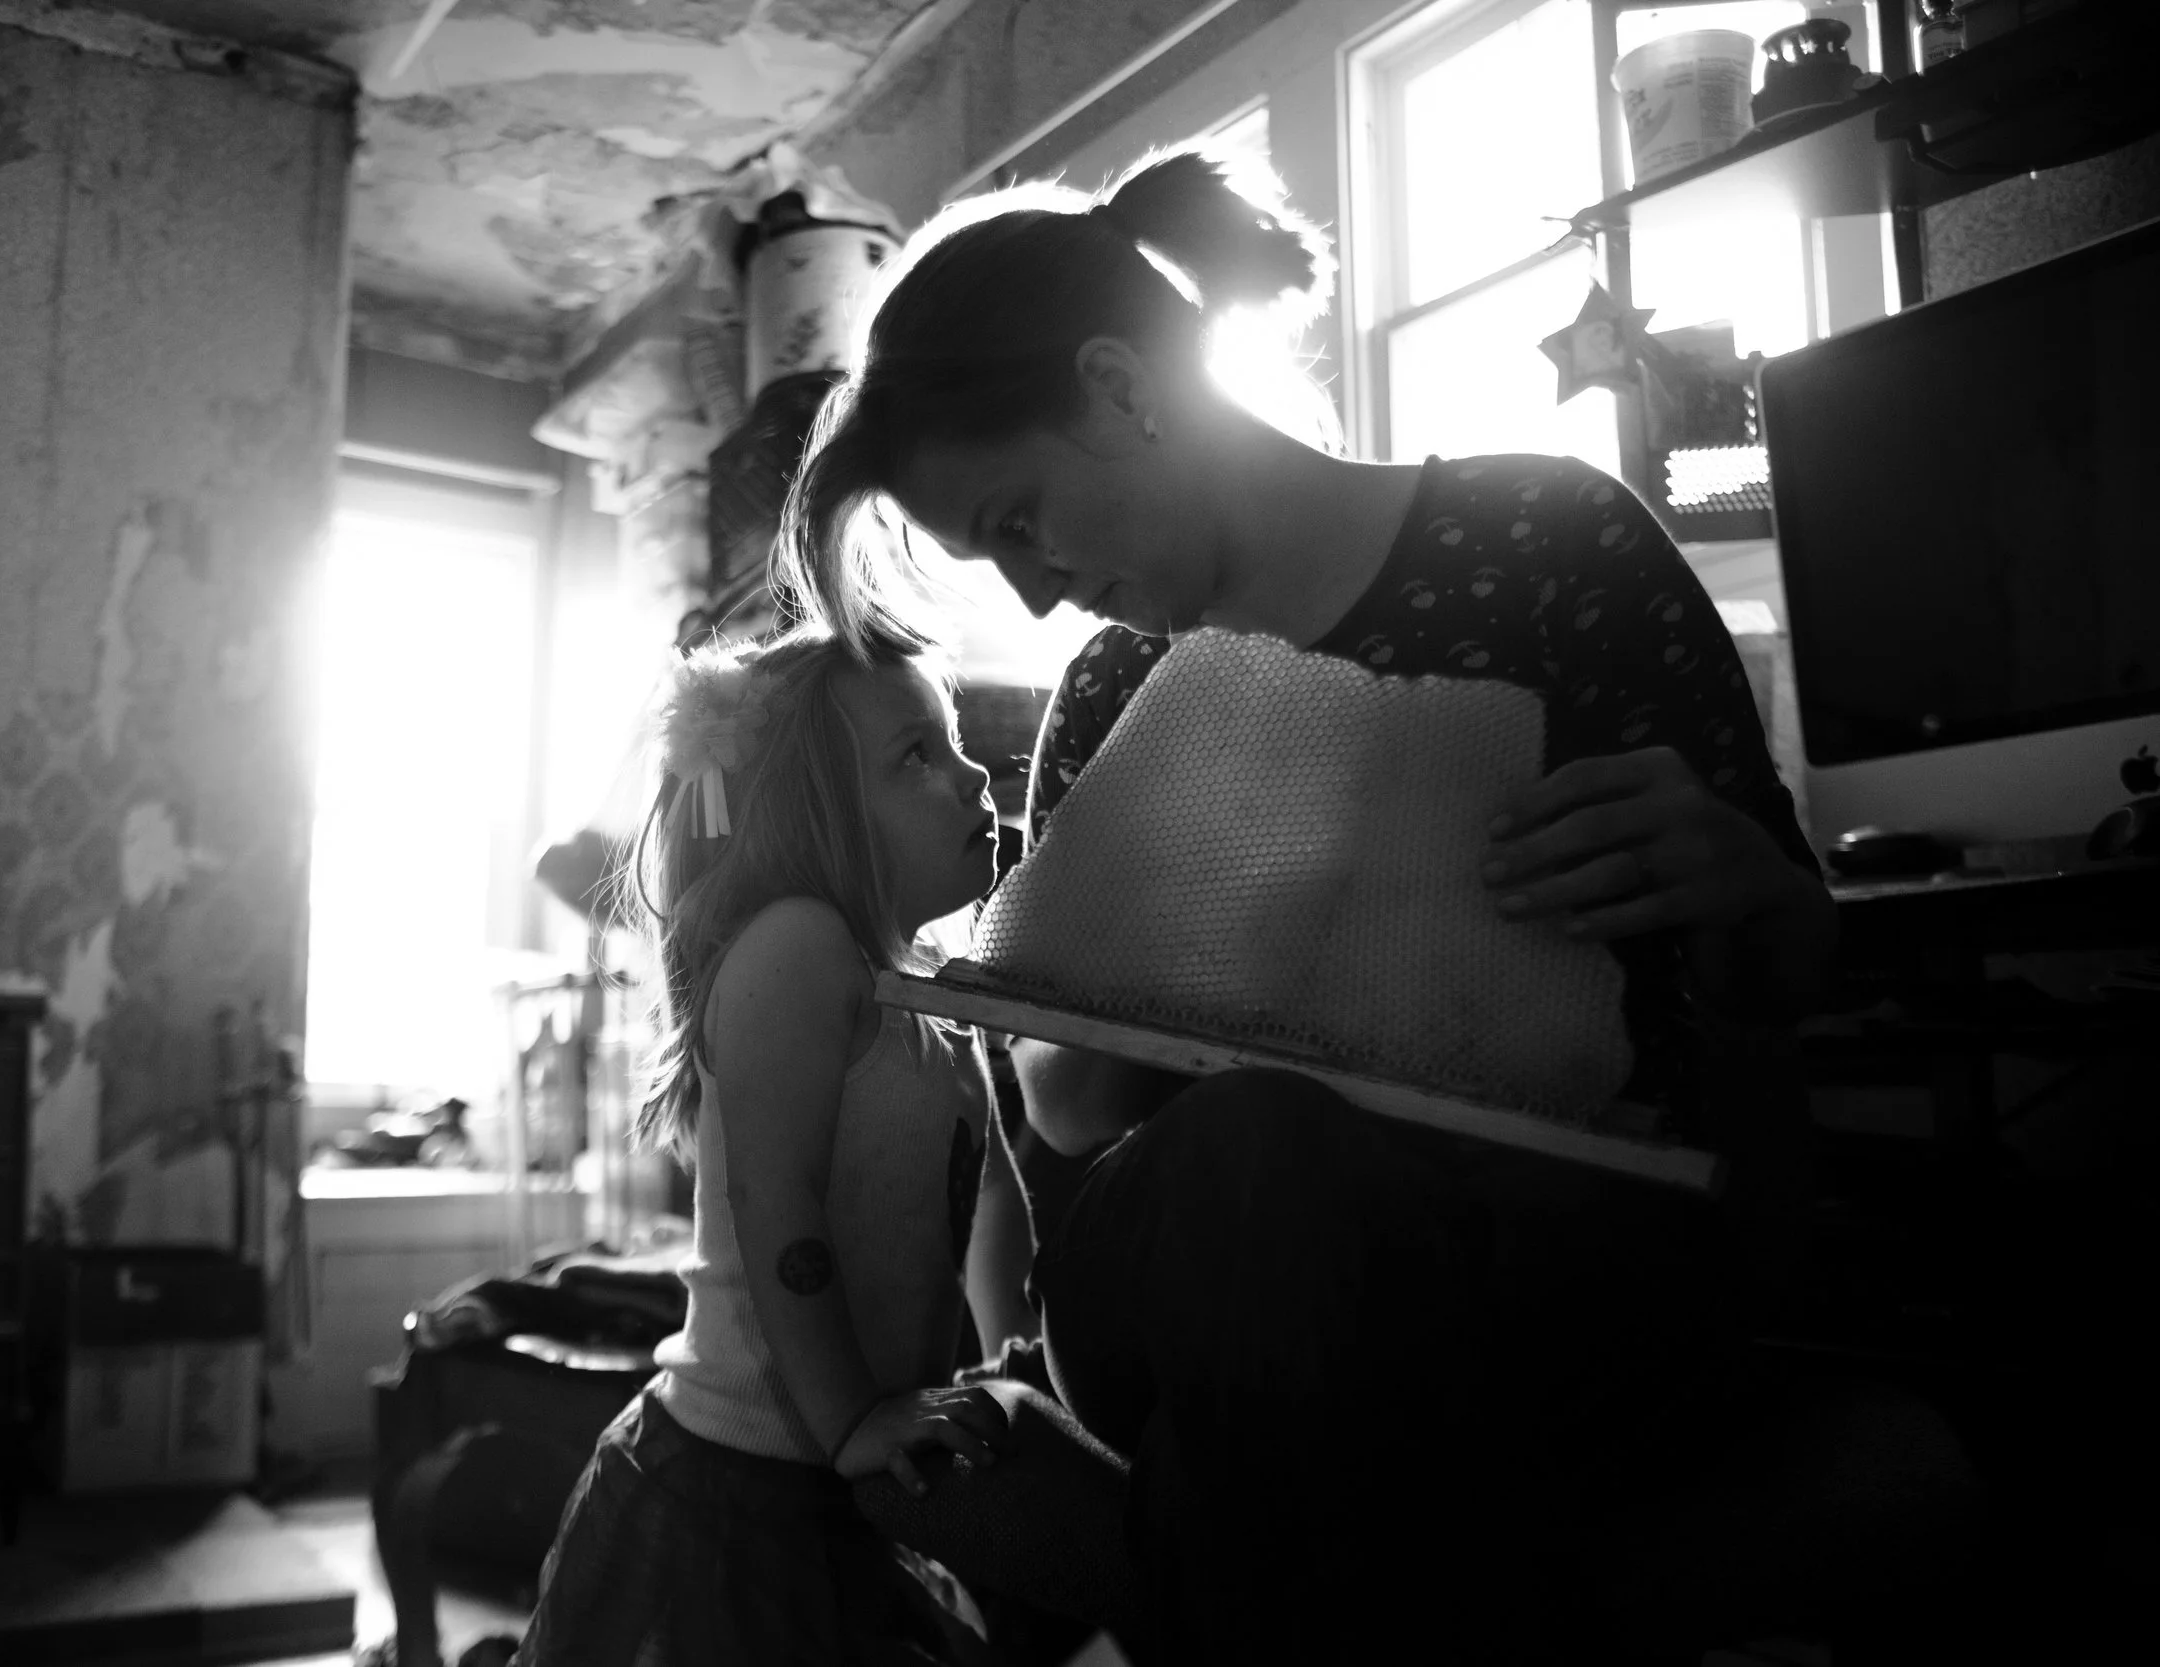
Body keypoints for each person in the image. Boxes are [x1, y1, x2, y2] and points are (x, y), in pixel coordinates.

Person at [776, 149, 1979, 1662]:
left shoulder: (1547, 542)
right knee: (1258, 1153)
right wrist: (1131, 955)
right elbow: (1071, 1120)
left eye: (1020, 520)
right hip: (1206, 1271)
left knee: (1297, 1307)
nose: (1034, 593)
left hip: (1547, 1262)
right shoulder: (1114, 689)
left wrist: (1733, 876)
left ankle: (1234, 1583)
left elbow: (1787, 972)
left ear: (1120, 387)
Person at [519, 630, 1029, 1667]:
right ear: (819, 815)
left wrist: (1012, 1362)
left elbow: (976, 1199)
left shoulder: (924, 978)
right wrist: (849, 1424)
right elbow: (777, 1206)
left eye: (955, 743)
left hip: (848, 1474)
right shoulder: (797, 944)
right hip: (742, 1486)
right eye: (916, 755)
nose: (974, 774)